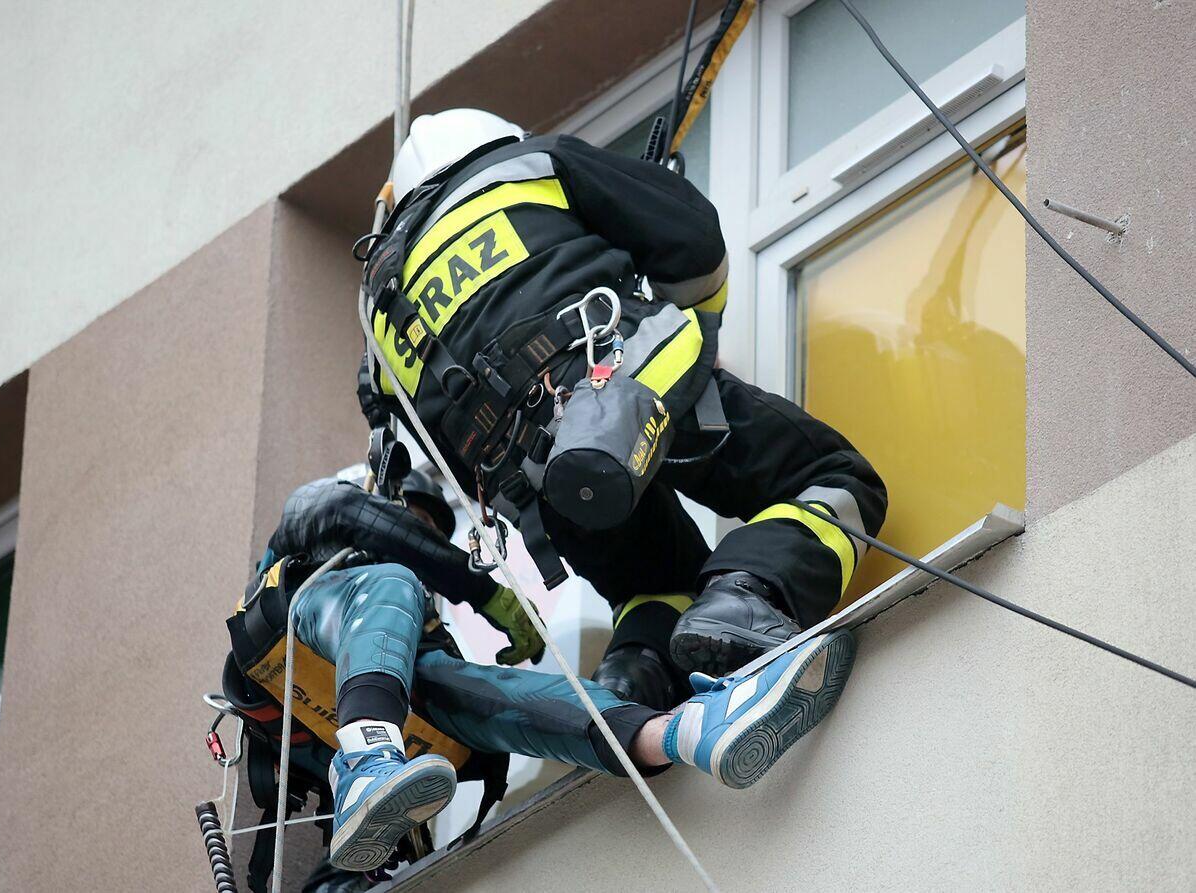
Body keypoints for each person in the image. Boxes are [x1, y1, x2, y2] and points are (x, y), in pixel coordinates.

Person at [357, 109, 888, 709]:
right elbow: (694, 244)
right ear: (495, 140)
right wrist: (701, 333)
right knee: (836, 479)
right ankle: (748, 596)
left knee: (649, 582)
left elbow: (445, 451)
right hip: (632, 384)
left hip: (546, 484)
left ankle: (632, 683)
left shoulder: (381, 314)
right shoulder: (529, 165)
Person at [226, 471, 857, 875]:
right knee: (390, 582)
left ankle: (683, 733)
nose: (424, 537)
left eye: (434, 529)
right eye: (418, 522)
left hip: (365, 727)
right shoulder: (328, 538)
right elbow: (343, 512)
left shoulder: (403, 639)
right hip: (288, 632)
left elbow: (491, 712)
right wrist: (483, 591)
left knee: (475, 693)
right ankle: (366, 761)